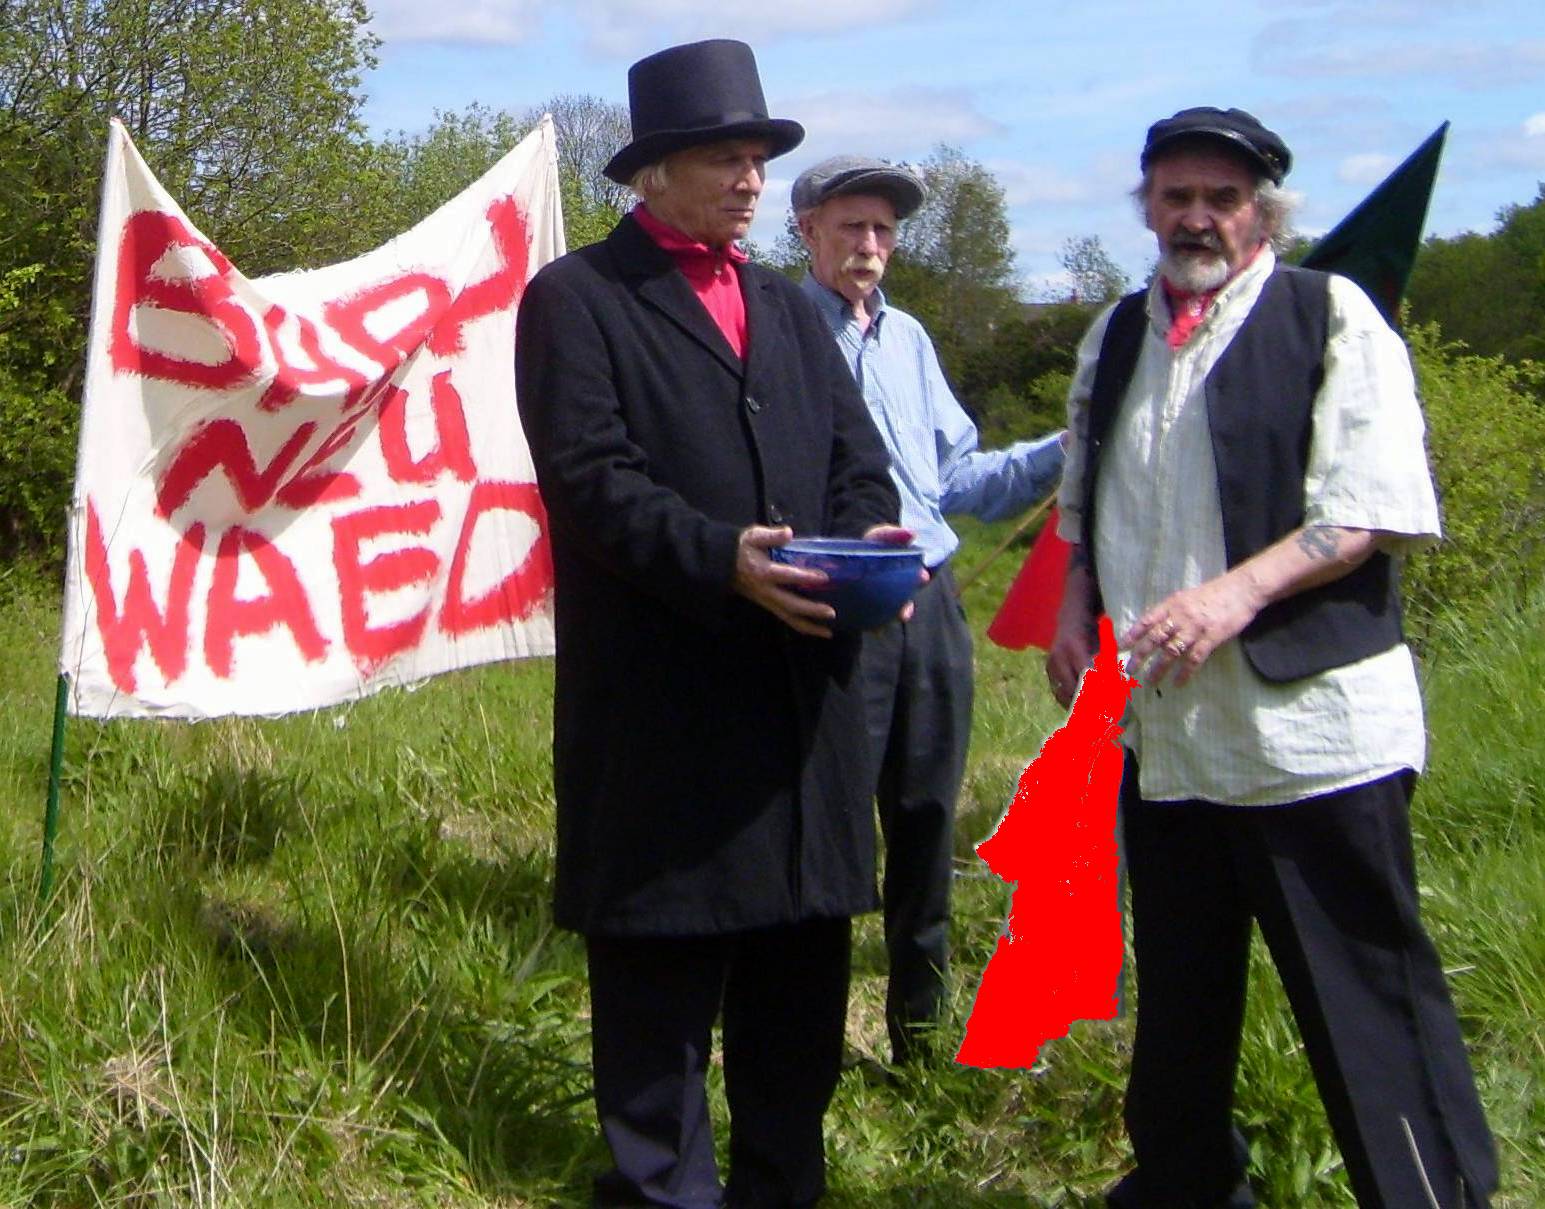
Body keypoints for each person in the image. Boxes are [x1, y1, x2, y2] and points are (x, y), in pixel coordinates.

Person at [1047, 106, 1497, 1208]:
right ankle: (1188, 1185)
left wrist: (1234, 593)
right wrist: (1074, 607)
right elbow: (1082, 489)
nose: (1196, 216)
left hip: (1313, 734)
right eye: (1175, 195)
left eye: (1222, 198)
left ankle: (1430, 1193)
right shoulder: (1117, 334)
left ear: (1264, 214)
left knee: (1364, 993)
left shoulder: (1330, 316)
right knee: (1186, 994)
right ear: (1147, 206)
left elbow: (1374, 509)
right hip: (1169, 728)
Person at [514, 39, 908, 1209]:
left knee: (798, 1000)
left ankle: (783, 1187)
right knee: (659, 1004)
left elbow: (859, 465)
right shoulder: (578, 299)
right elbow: (589, 479)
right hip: (663, 714)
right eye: (723, 159)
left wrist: (868, 543)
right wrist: (718, 563)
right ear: (651, 174)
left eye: (756, 157)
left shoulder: (790, 308)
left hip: (800, 714)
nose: (749, 180)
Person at [791, 156, 1064, 1063]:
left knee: (925, 814)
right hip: (839, 603)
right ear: (807, 232)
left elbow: (959, 481)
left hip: (933, 597)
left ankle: (919, 1038)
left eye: (882, 230)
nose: (868, 245)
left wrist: (1076, 441)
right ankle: (806, 1045)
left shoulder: (907, 338)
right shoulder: (780, 329)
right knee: (830, 824)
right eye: (849, 227)